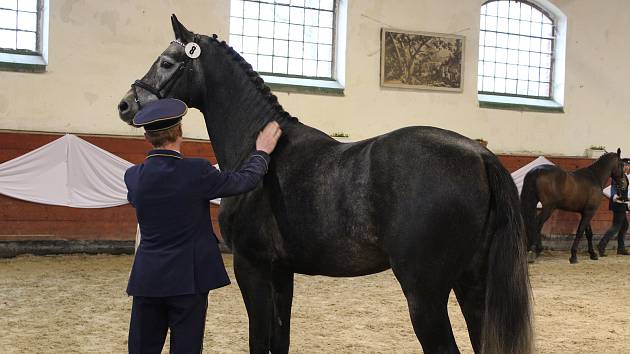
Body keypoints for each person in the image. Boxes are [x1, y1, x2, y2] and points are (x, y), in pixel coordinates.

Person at [124, 98, 282, 353]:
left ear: (147, 137)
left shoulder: (133, 176)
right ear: (180, 132)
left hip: (147, 278)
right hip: (188, 278)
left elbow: (136, 200)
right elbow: (244, 181)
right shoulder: (196, 171)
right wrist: (262, 151)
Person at [598, 163, 630, 257]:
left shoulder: (623, 176)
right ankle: (601, 245)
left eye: (628, 166)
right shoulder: (619, 176)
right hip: (619, 203)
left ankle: (620, 248)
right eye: (625, 166)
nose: (627, 167)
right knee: (616, 226)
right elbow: (614, 188)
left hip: (622, 203)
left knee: (624, 225)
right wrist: (615, 196)